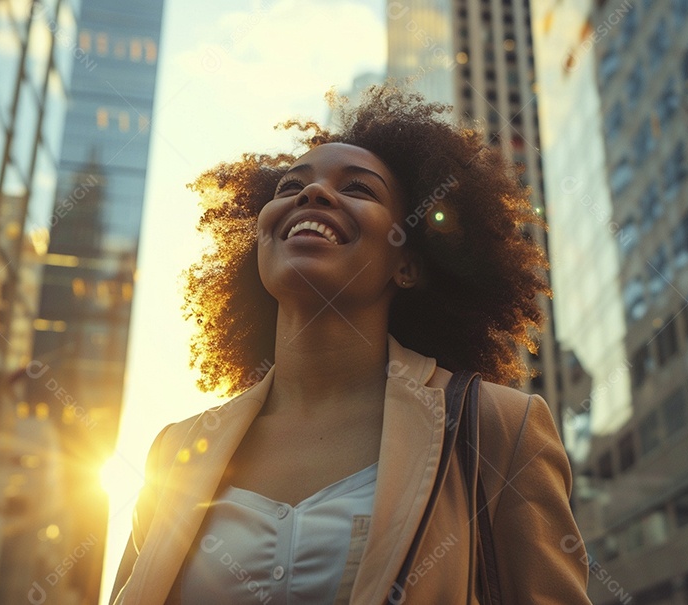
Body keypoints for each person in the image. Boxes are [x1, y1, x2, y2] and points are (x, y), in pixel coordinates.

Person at [110, 85, 590, 604]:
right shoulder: (175, 453)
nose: (312, 195)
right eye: (291, 186)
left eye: (359, 189)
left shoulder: (497, 428)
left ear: (407, 263)